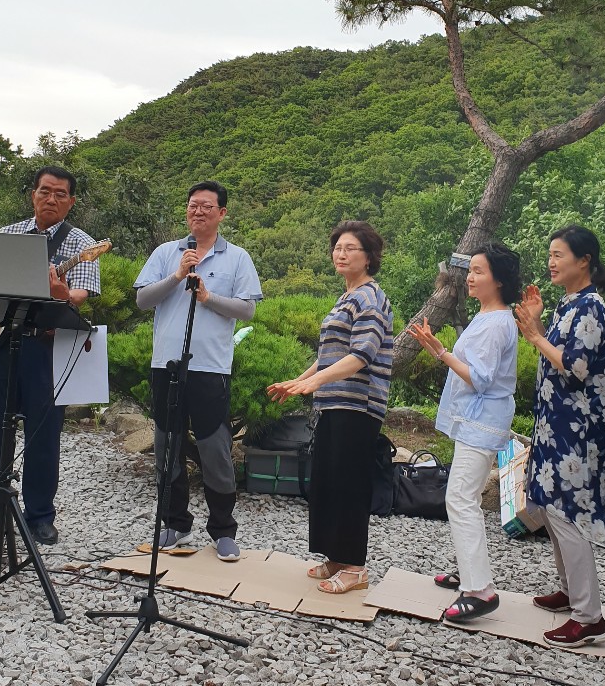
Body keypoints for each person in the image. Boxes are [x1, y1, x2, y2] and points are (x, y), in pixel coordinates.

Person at [0, 165, 101, 545]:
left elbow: (77, 297)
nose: (51, 199)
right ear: (33, 194)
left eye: (60, 194)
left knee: (44, 434)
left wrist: (61, 292)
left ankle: (40, 514)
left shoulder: (82, 243)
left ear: (71, 201)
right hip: (2, 345)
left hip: (46, 348)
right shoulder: (7, 235)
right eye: (45, 191)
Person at [135, 180, 262, 562]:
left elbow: (247, 309)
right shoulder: (166, 253)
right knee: (167, 446)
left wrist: (208, 298)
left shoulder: (237, 257)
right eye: (193, 205)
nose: (198, 211)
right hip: (166, 366)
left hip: (210, 367)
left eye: (207, 206)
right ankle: (174, 523)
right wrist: (176, 275)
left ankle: (223, 530)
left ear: (222, 213)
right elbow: (142, 299)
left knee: (214, 449)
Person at [267, 220, 393, 594]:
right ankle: (337, 557)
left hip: (358, 405)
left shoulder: (370, 298)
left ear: (369, 257)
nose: (341, 253)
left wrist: (315, 382)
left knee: (349, 483)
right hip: (335, 403)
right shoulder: (347, 297)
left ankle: (355, 568)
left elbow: (362, 354)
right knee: (329, 481)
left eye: (350, 248)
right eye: (337, 247)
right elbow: (329, 356)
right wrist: (299, 381)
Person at [515, 224, 605, 648]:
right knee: (549, 507)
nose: (551, 262)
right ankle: (569, 592)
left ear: (585, 260)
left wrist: (535, 335)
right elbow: (556, 357)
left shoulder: (591, 308)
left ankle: (589, 617)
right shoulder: (569, 304)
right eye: (550, 255)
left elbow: (575, 368)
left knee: (566, 514)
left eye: (558, 255)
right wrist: (539, 325)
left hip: (578, 430)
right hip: (557, 423)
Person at [408, 243, 521, 622]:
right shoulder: (487, 315)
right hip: (476, 421)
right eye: (470, 270)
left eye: (479, 271)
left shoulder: (497, 322)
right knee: (463, 497)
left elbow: (481, 378)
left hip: (482, 422)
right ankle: (468, 572)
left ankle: (480, 591)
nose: (470, 277)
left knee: (460, 498)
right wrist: (439, 349)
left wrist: (442, 353)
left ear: (499, 280)